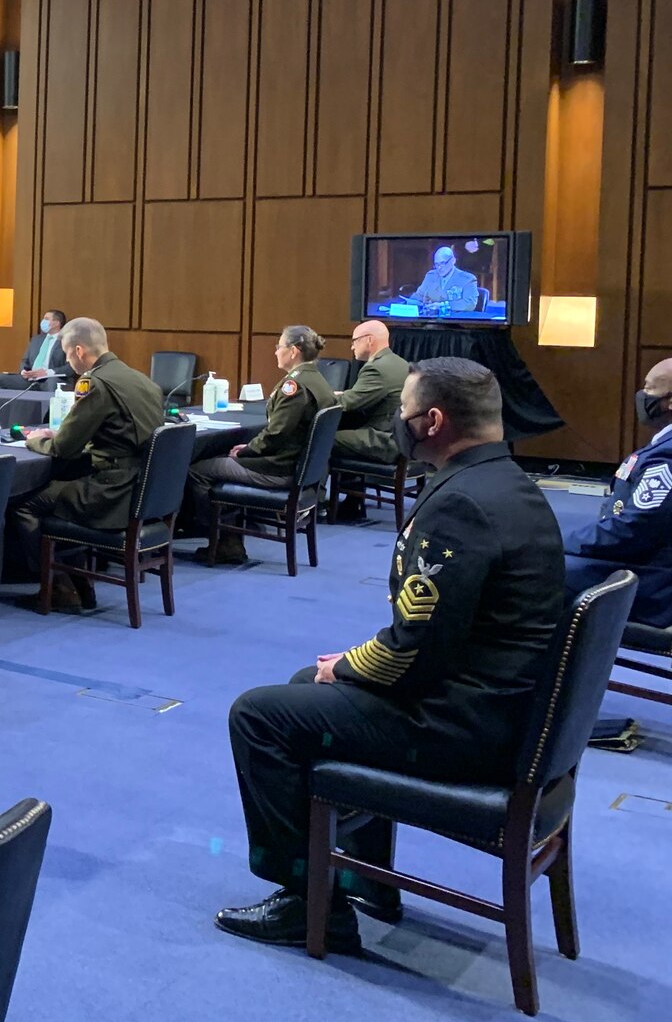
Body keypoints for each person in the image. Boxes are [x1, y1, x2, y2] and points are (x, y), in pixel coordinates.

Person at [217, 358, 565, 949]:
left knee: (258, 715)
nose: (396, 423)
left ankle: (307, 901)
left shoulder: (460, 505)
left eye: (403, 412)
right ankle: (359, 879)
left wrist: (345, 666)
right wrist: (342, 669)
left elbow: (410, 654)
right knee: (308, 682)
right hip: (511, 713)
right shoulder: (512, 486)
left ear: (432, 421)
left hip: (462, 729)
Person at [7, 317, 165, 611]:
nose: (69, 360)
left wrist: (33, 439)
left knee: (25, 504)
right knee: (62, 493)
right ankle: (78, 584)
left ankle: (58, 586)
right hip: (142, 490)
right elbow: (120, 433)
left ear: (79, 351)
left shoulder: (95, 383)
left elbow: (62, 448)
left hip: (111, 494)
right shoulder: (142, 380)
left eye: (67, 354)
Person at [183, 325, 336, 565]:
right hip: (299, 469)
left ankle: (222, 541)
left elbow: (276, 434)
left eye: (279, 347)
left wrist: (246, 450)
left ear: (294, 351)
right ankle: (227, 536)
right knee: (223, 456)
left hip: (278, 469)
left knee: (197, 470)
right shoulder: (318, 380)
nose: (276, 352)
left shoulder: (293, 387)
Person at [564, 358, 672, 635]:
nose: (642, 396)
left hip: (650, 585)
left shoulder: (666, 457)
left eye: (649, 389)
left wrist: (558, 541)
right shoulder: (662, 447)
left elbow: (632, 530)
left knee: (535, 572)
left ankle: (541, 672)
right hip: (641, 565)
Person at [328, 320, 410, 521]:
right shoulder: (400, 363)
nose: (352, 346)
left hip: (384, 440)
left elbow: (348, 403)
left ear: (369, 341)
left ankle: (316, 503)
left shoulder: (375, 369)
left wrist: (322, 395)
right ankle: (352, 501)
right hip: (402, 439)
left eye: (355, 340)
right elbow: (362, 395)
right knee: (347, 431)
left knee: (321, 440)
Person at [0, 307, 71, 390]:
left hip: (50, 379)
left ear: (57, 323)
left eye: (46, 319)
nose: (43, 322)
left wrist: (47, 372)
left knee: (52, 383)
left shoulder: (67, 341)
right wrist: (24, 372)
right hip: (30, 379)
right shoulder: (36, 340)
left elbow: (71, 367)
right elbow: (25, 361)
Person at [403, 244, 482, 314]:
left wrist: (442, 306)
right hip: (431, 321)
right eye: (437, 264)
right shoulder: (431, 276)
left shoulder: (467, 279)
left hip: (455, 324)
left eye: (443, 263)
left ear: (453, 260)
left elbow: (469, 304)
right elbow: (419, 296)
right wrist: (408, 303)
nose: (439, 268)